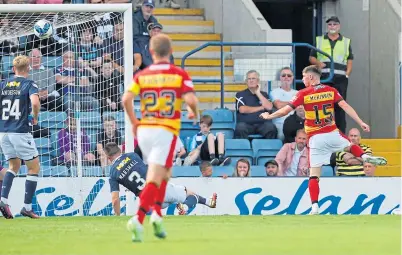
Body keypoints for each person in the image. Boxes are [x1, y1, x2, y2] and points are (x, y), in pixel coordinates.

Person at [259, 65, 387, 215]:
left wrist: (270, 116)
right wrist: (361, 122)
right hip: (332, 132)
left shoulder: (303, 93)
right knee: (349, 146)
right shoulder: (330, 91)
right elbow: (345, 106)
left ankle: (314, 206)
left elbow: (286, 110)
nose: (303, 79)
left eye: (304, 76)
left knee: (314, 175)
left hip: (315, 138)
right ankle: (365, 157)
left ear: (311, 77)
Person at [122, 33, 199, 241]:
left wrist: (134, 121)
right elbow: (191, 99)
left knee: (165, 174)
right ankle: (138, 220)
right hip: (164, 130)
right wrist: (194, 112)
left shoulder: (142, 75)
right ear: (171, 52)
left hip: (146, 130)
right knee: (154, 178)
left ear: (151, 52)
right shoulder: (178, 73)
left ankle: (156, 214)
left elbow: (126, 98)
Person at [104, 143, 217, 217]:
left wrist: (117, 216)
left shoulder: (112, 173)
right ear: (120, 150)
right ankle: (188, 207)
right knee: (190, 195)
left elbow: (115, 199)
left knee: (173, 198)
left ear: (109, 158)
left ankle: (208, 202)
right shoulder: (133, 155)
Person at [0, 55, 41, 219]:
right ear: (28, 68)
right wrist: (35, 116)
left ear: (13, 69)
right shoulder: (29, 84)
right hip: (20, 131)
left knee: (13, 165)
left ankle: (3, 200)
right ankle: (27, 207)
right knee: (34, 167)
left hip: (3, 132)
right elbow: (35, 102)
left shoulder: (3, 84)